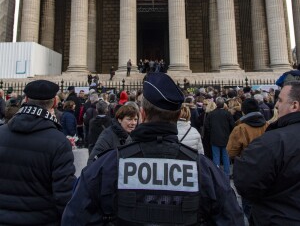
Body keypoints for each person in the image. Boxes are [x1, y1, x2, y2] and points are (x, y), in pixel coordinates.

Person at [62, 73, 245, 225]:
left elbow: (74, 217)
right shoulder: (205, 171)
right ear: (178, 115)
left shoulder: (106, 166)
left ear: (142, 114)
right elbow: (232, 219)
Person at [0, 80, 76, 225]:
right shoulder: (59, 142)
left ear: (26, 100)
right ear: (54, 102)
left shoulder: (1, 132)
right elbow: (64, 195)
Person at [233, 81, 300, 225]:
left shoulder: (273, 141)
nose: (276, 105)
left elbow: (247, 184)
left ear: (295, 105)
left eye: (280, 100)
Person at [227, 98, 269, 224]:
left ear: (244, 111)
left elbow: (231, 151)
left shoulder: (240, 128)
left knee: (248, 204)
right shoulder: (267, 125)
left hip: (247, 171)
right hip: (267, 168)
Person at [204, 97, 235, 176]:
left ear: (216, 104)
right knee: (225, 156)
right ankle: (227, 173)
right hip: (226, 138)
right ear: (223, 104)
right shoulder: (227, 114)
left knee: (216, 157)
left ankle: (216, 174)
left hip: (214, 138)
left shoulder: (211, 114)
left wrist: (211, 133)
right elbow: (233, 125)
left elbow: (206, 126)